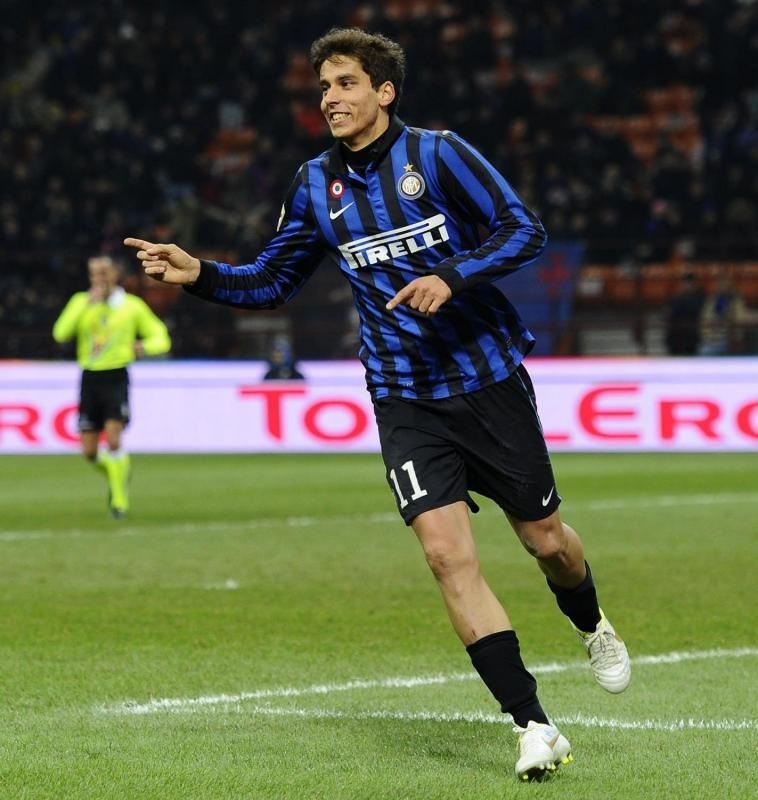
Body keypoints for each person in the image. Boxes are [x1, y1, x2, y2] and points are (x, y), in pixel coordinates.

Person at [124, 27, 630, 781]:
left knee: (547, 540)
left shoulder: (438, 155)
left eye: (346, 84)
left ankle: (590, 622)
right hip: (402, 396)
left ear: (384, 92)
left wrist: (452, 276)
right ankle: (532, 724)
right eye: (323, 87)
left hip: (486, 379)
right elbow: (271, 281)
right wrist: (199, 273)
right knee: (445, 556)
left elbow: (524, 231)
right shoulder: (313, 185)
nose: (330, 99)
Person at [52, 255, 171, 518]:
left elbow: (161, 338)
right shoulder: (80, 302)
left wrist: (144, 347)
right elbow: (60, 333)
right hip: (90, 377)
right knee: (89, 452)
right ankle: (119, 471)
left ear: (115, 275)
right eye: (95, 274)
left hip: (116, 376)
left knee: (114, 438)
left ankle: (119, 500)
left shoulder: (131, 306)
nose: (99, 279)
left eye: (104, 273)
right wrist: (85, 305)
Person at [664, 271, 706, 355]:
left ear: (694, 283)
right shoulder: (679, 297)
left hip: (691, 333)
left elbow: (694, 310)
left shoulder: (700, 296)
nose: (687, 285)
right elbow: (671, 311)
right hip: (676, 334)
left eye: (689, 283)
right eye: (685, 283)